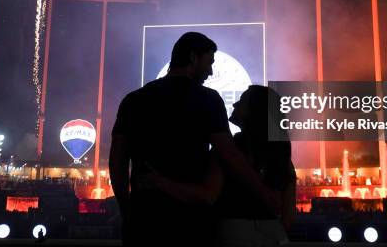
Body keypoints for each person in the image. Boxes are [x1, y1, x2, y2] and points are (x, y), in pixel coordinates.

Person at [109, 32, 279, 246]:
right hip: (190, 221)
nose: (210, 71)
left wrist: (127, 209)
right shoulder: (207, 99)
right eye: (209, 62)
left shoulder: (132, 101)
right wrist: (264, 193)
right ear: (192, 57)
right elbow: (230, 155)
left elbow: (117, 162)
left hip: (144, 218)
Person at [145, 85, 296, 247]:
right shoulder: (282, 153)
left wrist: (158, 181)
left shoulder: (227, 150)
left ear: (254, 111)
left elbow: (208, 195)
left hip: (234, 231)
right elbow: (288, 212)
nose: (234, 104)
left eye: (242, 101)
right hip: (275, 232)